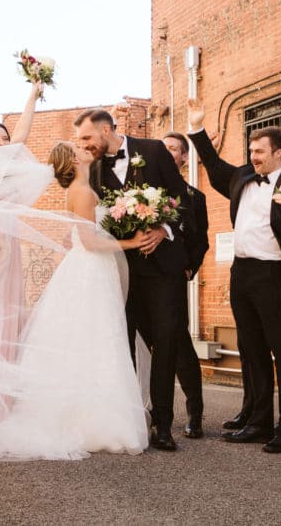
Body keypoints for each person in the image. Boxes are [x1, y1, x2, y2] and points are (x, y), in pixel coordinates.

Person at [0, 142, 149, 461]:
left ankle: (88, 417)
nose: (86, 148)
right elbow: (87, 239)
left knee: (88, 339)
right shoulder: (82, 191)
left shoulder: (81, 187)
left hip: (87, 270)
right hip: (90, 269)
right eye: (78, 147)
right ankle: (95, 423)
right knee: (96, 337)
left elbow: (75, 234)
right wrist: (131, 241)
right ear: (72, 160)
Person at [186, 98, 281, 453]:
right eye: (251, 150)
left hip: (275, 275)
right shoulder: (243, 177)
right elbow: (215, 167)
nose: (254, 156)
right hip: (243, 272)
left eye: (260, 151)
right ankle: (260, 422)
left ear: (280, 153)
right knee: (252, 349)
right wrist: (197, 129)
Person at [75, 109, 191, 451]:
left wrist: (163, 228)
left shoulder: (154, 151)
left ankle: (163, 423)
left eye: (87, 138)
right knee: (121, 343)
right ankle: (128, 419)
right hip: (118, 270)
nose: (83, 145)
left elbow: (181, 199)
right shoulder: (92, 170)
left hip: (162, 268)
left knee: (166, 340)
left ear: (107, 129)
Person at [162, 132, 208, 439]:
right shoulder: (137, 190)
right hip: (139, 278)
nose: (167, 153)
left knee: (179, 345)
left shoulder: (195, 197)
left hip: (172, 279)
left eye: (174, 149)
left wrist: (188, 268)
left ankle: (195, 413)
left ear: (183, 158)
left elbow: (200, 240)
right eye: (162, 148)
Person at [0, 81, 43, 151]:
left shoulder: (10, 155)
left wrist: (33, 97)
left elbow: (21, 132)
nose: (2, 143)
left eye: (6, 139)